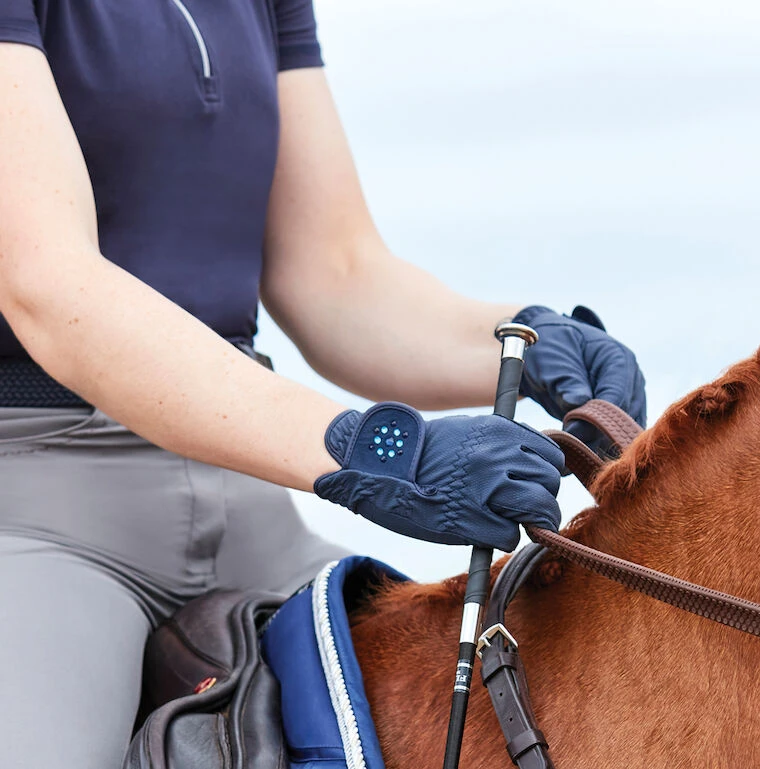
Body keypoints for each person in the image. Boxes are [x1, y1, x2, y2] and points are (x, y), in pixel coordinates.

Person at [0, 1, 646, 767]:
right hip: (39, 514)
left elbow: (334, 274)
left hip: (245, 499)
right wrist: (375, 452)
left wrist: (527, 342)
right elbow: (47, 284)